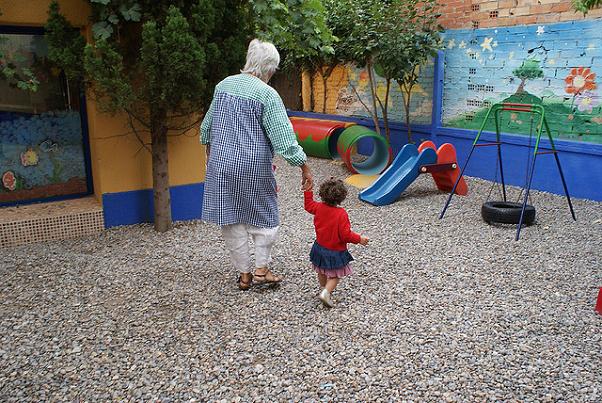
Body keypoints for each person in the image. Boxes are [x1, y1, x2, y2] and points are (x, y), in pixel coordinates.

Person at [200, 39, 313, 290]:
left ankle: (244, 275)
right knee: (265, 216)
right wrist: (303, 165)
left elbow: (207, 128)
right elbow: (283, 139)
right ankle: (261, 270)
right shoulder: (267, 94)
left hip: (221, 164)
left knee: (231, 217)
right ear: (270, 69)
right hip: (253, 166)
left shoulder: (223, 86)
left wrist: (210, 155)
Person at [304, 178, 369, 308]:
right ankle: (326, 292)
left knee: (321, 270)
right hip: (335, 251)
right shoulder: (341, 214)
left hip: (319, 247)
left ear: (322, 194)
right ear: (341, 197)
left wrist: (308, 190)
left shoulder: (318, 207)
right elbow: (345, 235)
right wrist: (359, 239)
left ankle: (323, 288)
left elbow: (308, 205)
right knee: (335, 275)